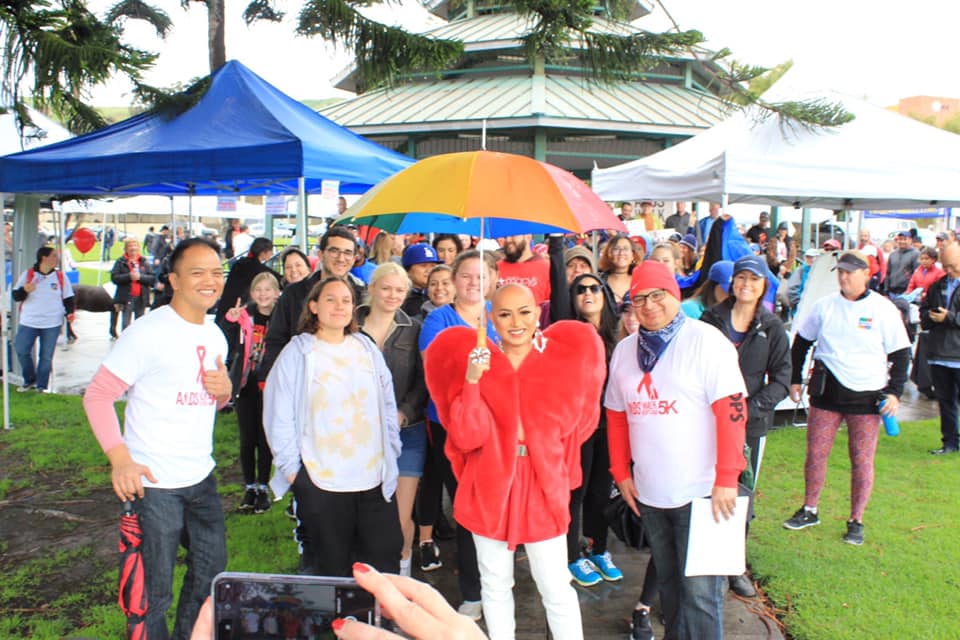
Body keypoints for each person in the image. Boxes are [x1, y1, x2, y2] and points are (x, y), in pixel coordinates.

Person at [424, 283, 605, 640]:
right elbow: (465, 437)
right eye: (504, 314)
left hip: (542, 485)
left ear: (538, 314)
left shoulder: (559, 362)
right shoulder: (480, 362)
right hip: (490, 484)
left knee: (555, 585)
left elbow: (578, 424)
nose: (516, 322)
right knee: (494, 584)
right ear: (491, 319)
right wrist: (472, 382)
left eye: (524, 312)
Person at [83, 238, 232, 638]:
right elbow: (97, 396)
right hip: (153, 484)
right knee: (153, 594)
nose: (210, 281)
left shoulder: (216, 335)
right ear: (174, 280)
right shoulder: (148, 333)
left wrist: (224, 392)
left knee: (211, 576)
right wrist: (120, 459)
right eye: (197, 272)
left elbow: (208, 401)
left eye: (216, 272)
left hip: (201, 478)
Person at [605, 260, 747, 640]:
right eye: (639, 298)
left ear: (676, 294)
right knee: (669, 588)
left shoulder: (707, 341)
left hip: (706, 494)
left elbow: (732, 411)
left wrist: (727, 478)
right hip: (651, 494)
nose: (649, 305)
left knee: (702, 596)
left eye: (658, 295)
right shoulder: (624, 351)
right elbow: (616, 416)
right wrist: (621, 472)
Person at [264, 277, 402, 576]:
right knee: (331, 566)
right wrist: (294, 472)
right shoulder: (298, 354)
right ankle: (336, 623)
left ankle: (380, 621)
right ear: (313, 306)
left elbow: (387, 402)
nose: (339, 306)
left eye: (346, 300)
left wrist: (392, 446)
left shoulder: (365, 348)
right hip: (322, 480)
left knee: (383, 560)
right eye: (330, 299)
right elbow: (279, 416)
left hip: (373, 478)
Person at [784, 250, 910, 545]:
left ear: (866, 274)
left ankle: (856, 519)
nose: (844, 277)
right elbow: (801, 343)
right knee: (816, 453)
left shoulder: (883, 308)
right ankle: (810, 508)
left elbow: (901, 354)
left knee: (862, 459)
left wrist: (894, 392)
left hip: (867, 398)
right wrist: (794, 379)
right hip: (827, 393)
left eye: (850, 272)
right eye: (840, 272)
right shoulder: (824, 306)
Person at [701, 254, 790, 597]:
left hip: (750, 426)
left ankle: (734, 566)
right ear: (732, 283)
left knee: (742, 496)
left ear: (763, 285)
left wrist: (746, 411)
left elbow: (781, 380)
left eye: (754, 279)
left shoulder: (772, 327)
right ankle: (704, 564)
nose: (746, 285)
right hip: (707, 422)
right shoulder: (711, 319)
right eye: (741, 278)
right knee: (704, 489)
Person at [417, 249, 499, 620]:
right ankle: (472, 589)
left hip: (496, 425)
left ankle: (497, 580)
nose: (472, 282)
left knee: (493, 504)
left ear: (493, 279)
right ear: (453, 280)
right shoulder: (438, 319)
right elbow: (436, 367)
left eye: (480, 274)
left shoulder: (499, 316)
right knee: (466, 505)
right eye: (465, 275)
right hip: (450, 425)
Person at [357, 262, 429, 577]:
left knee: (400, 516)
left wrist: (405, 412)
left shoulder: (414, 329)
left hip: (407, 433)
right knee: (368, 514)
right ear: (371, 289)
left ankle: (402, 575)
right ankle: (368, 577)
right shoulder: (350, 326)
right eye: (385, 288)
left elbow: (422, 381)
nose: (392, 295)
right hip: (358, 434)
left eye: (400, 290)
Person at [262, 227, 366, 381]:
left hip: (347, 381)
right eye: (334, 251)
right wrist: (275, 379)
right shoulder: (293, 293)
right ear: (320, 254)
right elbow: (276, 341)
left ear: (354, 258)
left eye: (347, 253)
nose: (341, 258)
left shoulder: (362, 295)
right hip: (299, 379)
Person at [223, 272, 281, 514]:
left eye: (268, 290)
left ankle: (263, 487)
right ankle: (250, 486)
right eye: (259, 290)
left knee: (265, 437)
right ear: (252, 293)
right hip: (247, 384)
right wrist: (231, 318)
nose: (263, 294)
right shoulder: (245, 315)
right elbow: (227, 334)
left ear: (277, 293)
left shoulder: (281, 317)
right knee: (248, 438)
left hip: (270, 385)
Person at [12, 246, 75, 393]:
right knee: (21, 349)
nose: (56, 259)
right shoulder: (28, 275)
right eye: (53, 256)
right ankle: (30, 379)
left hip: (52, 322)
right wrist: (24, 291)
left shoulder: (60, 277)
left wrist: (70, 312)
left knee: (46, 356)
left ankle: (41, 386)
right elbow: (16, 296)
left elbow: (68, 297)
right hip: (29, 320)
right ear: (43, 258)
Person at [920, 243, 960, 455]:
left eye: (953, 266)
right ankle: (950, 443)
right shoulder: (937, 285)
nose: (949, 271)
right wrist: (931, 317)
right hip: (939, 354)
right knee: (945, 402)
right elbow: (924, 314)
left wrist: (949, 317)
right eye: (946, 266)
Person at [110, 238, 156, 335]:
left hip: (141, 298)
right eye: (130, 246)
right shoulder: (120, 262)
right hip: (126, 298)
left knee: (140, 324)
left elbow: (152, 279)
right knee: (126, 324)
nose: (133, 248)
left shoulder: (144, 261)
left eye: (135, 245)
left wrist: (140, 277)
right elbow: (114, 278)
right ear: (126, 248)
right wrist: (128, 277)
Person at [497, 234, 551, 305]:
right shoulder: (496, 268)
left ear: (528, 236)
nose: (508, 240)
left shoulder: (546, 267)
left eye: (513, 235)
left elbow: (551, 306)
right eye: (506, 236)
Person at [402, 243, 443, 317]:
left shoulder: (443, 295)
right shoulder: (399, 297)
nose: (429, 270)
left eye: (433, 266)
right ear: (408, 270)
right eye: (423, 265)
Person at [598, 234, 640, 305]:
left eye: (626, 249)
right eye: (616, 249)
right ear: (609, 254)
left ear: (633, 255)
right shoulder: (600, 281)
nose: (621, 253)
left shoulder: (640, 281)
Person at [884, 231, 920, 295]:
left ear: (910, 240)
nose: (902, 241)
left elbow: (917, 274)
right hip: (892, 292)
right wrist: (886, 291)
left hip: (906, 292)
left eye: (905, 239)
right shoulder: (893, 254)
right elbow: (888, 273)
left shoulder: (915, 254)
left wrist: (911, 291)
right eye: (900, 239)